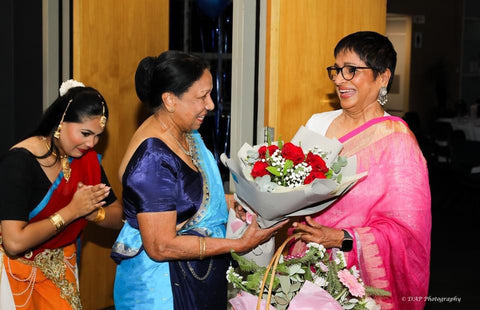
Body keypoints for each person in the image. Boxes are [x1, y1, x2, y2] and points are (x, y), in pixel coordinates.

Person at [111, 50, 286, 310]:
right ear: (170, 100)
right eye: (202, 96)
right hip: (161, 289)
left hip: (195, 276)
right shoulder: (153, 159)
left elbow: (191, 196)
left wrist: (231, 202)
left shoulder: (183, 131)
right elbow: (161, 246)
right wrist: (239, 244)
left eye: (210, 94)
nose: (211, 104)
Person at [290, 31, 431, 310]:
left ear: (383, 77)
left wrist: (342, 237)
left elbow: (407, 233)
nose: (340, 79)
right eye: (337, 70)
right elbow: (287, 188)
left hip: (356, 282)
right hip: (302, 264)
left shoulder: (397, 141)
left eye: (351, 70)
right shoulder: (317, 123)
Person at [0, 80, 124, 310]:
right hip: (13, 271)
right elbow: (14, 242)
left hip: (61, 269)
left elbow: (119, 215)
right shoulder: (20, 163)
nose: (92, 143)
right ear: (60, 122)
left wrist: (94, 213)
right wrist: (72, 211)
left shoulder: (85, 160)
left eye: (98, 136)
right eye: (85, 133)